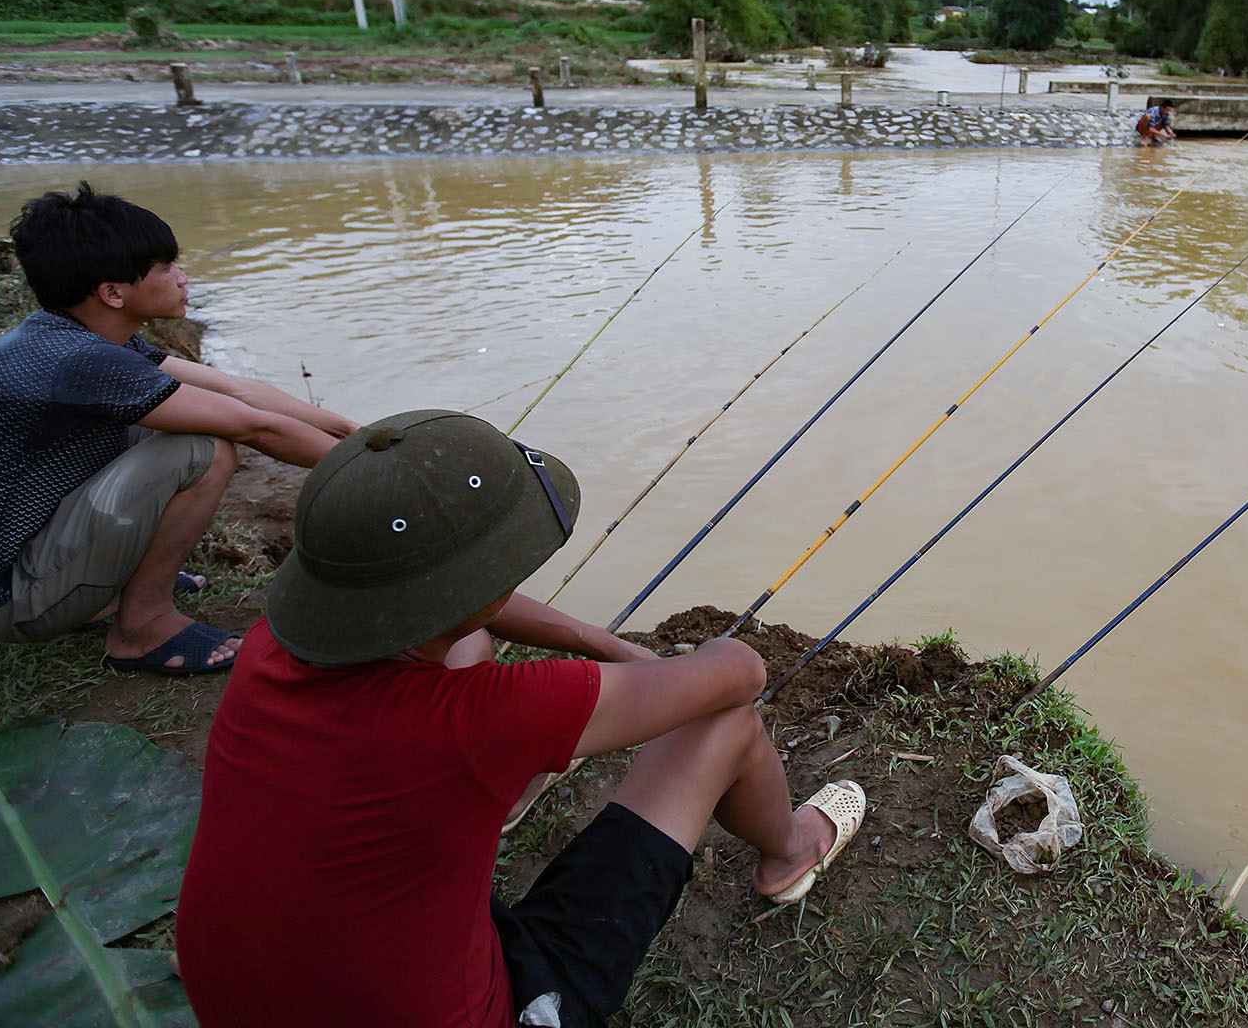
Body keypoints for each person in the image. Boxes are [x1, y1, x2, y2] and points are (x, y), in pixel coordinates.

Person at [175, 409, 866, 1028]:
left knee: (467, 650)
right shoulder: (481, 717)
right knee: (727, 722)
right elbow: (739, 672)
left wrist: (596, 642)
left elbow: (445, 609)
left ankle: (512, 788)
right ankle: (792, 851)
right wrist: (659, 666)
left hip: (246, 997)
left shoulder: (273, 645)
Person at [0, 183, 356, 674]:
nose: (183, 278)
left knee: (171, 420)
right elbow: (254, 426)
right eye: (167, 268)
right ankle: (141, 627)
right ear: (112, 293)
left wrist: (348, 429)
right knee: (203, 447)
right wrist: (368, 468)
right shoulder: (80, 359)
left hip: (20, 557)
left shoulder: (72, 334)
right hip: (9, 599)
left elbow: (234, 390)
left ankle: (114, 592)